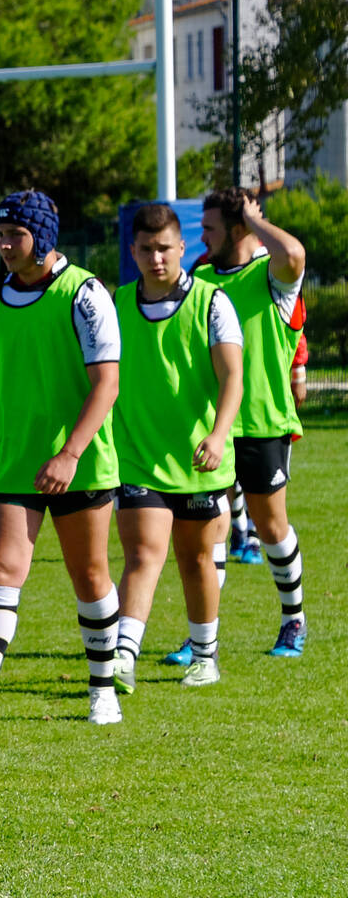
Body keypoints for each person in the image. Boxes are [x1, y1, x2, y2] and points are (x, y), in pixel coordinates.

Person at [0, 190, 123, 729]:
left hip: (78, 464)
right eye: (1, 234)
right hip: (10, 461)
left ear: (44, 239)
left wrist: (70, 453)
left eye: (17, 235)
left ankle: (103, 688)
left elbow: (107, 382)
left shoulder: (84, 294)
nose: (5, 245)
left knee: (89, 575)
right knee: (1, 571)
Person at [108, 203, 241, 691]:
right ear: (133, 251)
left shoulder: (212, 302)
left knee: (196, 559)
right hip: (138, 455)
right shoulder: (118, 303)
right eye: (146, 249)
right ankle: (123, 655)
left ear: (182, 247)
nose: (156, 258)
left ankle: (205, 654)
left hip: (198, 459)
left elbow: (233, 378)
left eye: (165, 248)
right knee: (143, 554)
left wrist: (219, 432)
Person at [189, 187, 309, 658]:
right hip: (211, 426)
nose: (203, 236)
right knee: (209, 529)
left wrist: (254, 220)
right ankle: (203, 637)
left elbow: (294, 253)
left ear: (237, 230)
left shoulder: (272, 275)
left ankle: (293, 620)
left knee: (270, 525)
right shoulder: (199, 276)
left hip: (263, 423)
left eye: (211, 228)